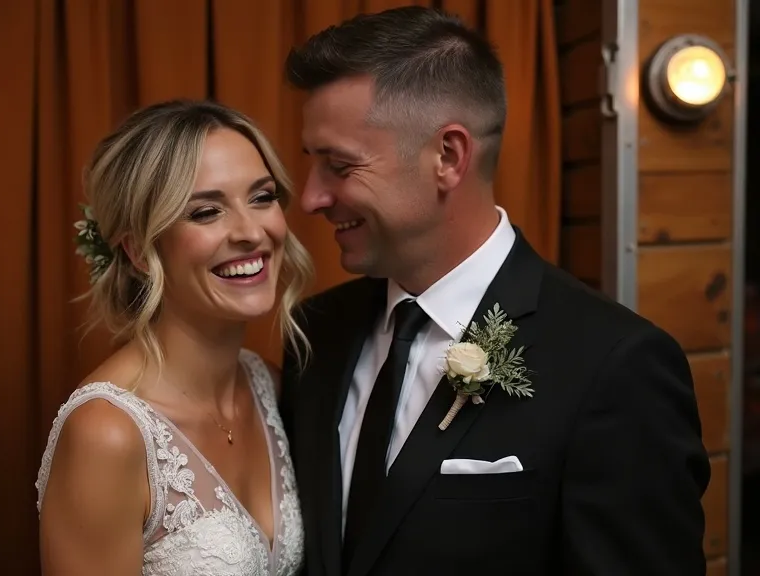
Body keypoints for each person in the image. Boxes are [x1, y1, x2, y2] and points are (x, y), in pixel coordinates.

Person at [278, 6, 711, 576]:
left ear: (448, 157)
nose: (310, 198)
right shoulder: (314, 332)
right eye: (314, 165)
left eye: (340, 166)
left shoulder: (613, 364)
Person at [36, 100, 312, 575]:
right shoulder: (106, 434)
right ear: (141, 251)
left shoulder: (266, 384)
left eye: (262, 197)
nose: (252, 232)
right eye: (206, 212)